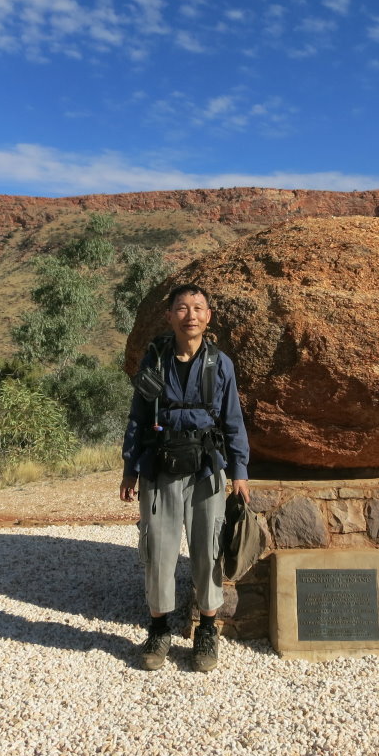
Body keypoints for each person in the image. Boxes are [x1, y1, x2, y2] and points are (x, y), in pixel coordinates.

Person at [119, 283, 250, 672]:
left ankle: (207, 631)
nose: (190, 315)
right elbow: (138, 416)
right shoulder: (154, 361)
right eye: (181, 308)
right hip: (158, 467)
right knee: (158, 549)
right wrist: (130, 467)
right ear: (169, 316)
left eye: (197, 308)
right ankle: (158, 628)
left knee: (207, 550)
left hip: (206, 469)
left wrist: (239, 471)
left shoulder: (219, 363)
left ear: (208, 316)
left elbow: (232, 420)